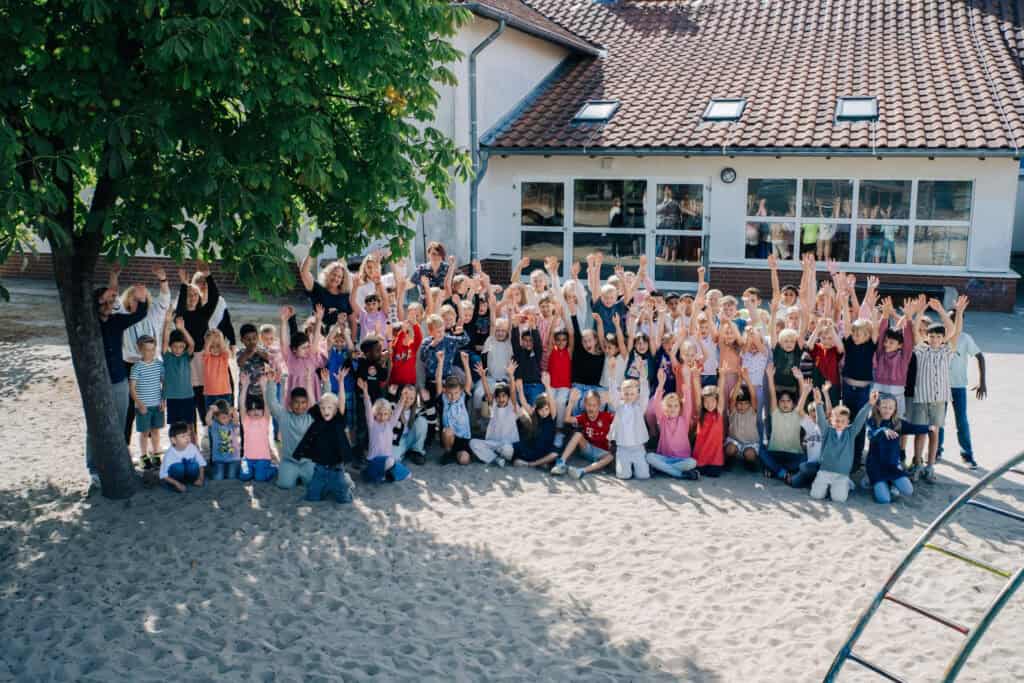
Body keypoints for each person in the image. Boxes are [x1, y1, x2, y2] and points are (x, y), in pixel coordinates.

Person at [88, 276, 149, 485]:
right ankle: (93, 468)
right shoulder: (90, 324)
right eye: (104, 301)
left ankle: (122, 462)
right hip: (97, 384)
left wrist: (141, 298)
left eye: (111, 300)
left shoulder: (116, 321)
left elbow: (139, 314)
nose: (108, 304)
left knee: (122, 423)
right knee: (95, 425)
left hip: (119, 380)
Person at [909, 296, 967, 481]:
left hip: (939, 399)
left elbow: (954, 330)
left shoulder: (946, 351)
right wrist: (919, 312)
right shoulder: (921, 350)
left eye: (938, 336)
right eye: (931, 336)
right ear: (927, 336)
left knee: (934, 431)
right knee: (920, 432)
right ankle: (917, 463)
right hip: (921, 398)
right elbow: (915, 331)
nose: (934, 339)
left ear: (943, 339)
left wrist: (944, 310)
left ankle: (930, 465)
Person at [119, 266, 171, 442]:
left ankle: (149, 451)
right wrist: (113, 277)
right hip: (130, 364)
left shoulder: (153, 313)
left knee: (150, 406)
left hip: (152, 364)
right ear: (128, 299)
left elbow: (164, 299)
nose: (138, 301)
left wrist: (163, 279)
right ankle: (124, 445)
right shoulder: (122, 315)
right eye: (135, 298)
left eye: (142, 298)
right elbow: (114, 303)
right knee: (128, 408)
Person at [938, 307, 985, 469]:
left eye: (957, 319)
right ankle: (936, 451)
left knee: (962, 421)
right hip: (940, 386)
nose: (953, 322)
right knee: (938, 421)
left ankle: (967, 455)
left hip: (958, 387)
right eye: (950, 318)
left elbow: (979, 356)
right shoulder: (940, 337)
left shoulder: (965, 339)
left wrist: (982, 381)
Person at [809, 389, 875, 503]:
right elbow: (820, 422)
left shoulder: (851, 432)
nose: (839, 423)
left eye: (843, 421)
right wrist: (818, 403)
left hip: (841, 474)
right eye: (837, 420)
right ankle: (828, 487)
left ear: (847, 422)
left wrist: (869, 404)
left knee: (838, 499)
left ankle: (846, 484)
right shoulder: (827, 431)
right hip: (825, 471)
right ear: (831, 420)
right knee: (816, 495)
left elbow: (859, 419)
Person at [866, 395, 935, 504]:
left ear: (894, 409)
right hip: (876, 467)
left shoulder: (898, 423)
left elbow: (913, 428)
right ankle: (873, 482)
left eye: (890, 408)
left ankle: (890, 482)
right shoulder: (872, 421)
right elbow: (871, 434)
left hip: (892, 466)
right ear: (878, 407)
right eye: (884, 407)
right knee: (884, 499)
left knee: (908, 490)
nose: (887, 410)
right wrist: (883, 430)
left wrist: (928, 428)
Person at [175, 263, 219, 424]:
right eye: (189, 294)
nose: (192, 297)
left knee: (203, 395)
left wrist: (209, 276)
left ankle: (206, 427)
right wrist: (183, 285)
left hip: (202, 358)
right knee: (190, 397)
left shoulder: (203, 313)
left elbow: (214, 297)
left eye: (195, 294)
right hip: (187, 359)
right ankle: (192, 435)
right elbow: (180, 306)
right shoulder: (180, 315)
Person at [290, 392, 353, 503]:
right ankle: (326, 486)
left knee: (345, 500)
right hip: (320, 469)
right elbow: (313, 400)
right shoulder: (318, 419)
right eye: (323, 408)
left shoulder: (339, 420)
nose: (325, 411)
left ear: (335, 409)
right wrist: (309, 378)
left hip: (336, 469)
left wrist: (341, 382)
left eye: (329, 408)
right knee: (312, 497)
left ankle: (346, 480)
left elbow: (342, 402)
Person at [644, 366, 700, 480]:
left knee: (692, 463)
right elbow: (655, 403)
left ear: (680, 408)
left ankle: (662, 469)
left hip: (682, 459)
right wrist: (660, 384)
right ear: (664, 409)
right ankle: (679, 474)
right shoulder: (663, 420)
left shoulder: (684, 419)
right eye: (669, 406)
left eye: (675, 406)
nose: (672, 408)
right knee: (649, 457)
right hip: (664, 457)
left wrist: (687, 381)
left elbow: (688, 404)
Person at [262, 371, 316, 490]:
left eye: (303, 402)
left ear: (307, 404)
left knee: (312, 483)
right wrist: (271, 383)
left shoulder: (311, 417)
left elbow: (322, 403)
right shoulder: (284, 416)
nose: (299, 405)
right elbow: (272, 403)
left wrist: (323, 383)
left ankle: (301, 475)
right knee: (285, 485)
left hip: (308, 462)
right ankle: (287, 472)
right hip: (289, 461)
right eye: (296, 402)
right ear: (290, 403)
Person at [358, 378, 410, 483]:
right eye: (379, 414)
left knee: (407, 474)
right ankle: (376, 474)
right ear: (375, 414)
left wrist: (402, 399)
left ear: (389, 414)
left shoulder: (390, 424)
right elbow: (368, 407)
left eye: (385, 414)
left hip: (387, 460)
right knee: (390, 462)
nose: (382, 416)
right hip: (374, 461)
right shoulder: (372, 425)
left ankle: (385, 475)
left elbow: (397, 412)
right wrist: (365, 392)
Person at [469, 361, 519, 467]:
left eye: (504, 396)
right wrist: (483, 376)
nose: (501, 399)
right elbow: (487, 393)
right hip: (493, 443)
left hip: (507, 444)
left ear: (508, 397)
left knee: (508, 450)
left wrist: (511, 375)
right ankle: (495, 459)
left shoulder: (512, 407)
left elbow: (513, 392)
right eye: (499, 396)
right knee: (473, 443)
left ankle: (497, 456)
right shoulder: (494, 405)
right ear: (495, 398)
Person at [129, 335, 165, 470]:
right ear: (140, 350)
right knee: (144, 432)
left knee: (155, 431)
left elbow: (164, 383)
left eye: (152, 350)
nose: (150, 353)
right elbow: (132, 388)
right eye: (146, 350)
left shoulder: (159, 365)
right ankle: (144, 456)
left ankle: (156, 454)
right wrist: (139, 403)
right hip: (143, 406)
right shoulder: (137, 367)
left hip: (157, 405)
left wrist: (163, 399)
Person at [280, 304, 327, 403]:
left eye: (308, 346)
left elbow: (316, 339)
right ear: (294, 350)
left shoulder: (311, 356)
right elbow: (283, 342)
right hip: (295, 392)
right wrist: (284, 321)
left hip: (312, 391)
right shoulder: (290, 358)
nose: (307, 349)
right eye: (303, 348)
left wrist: (318, 320)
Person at [162, 312, 197, 443]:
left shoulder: (186, 357)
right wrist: (167, 323)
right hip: (172, 398)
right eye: (175, 347)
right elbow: (164, 340)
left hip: (187, 396)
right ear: (171, 347)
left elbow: (192, 344)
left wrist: (182, 329)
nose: (178, 349)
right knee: (174, 427)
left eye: (181, 347)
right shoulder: (167, 356)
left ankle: (194, 449)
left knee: (190, 426)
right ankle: (175, 450)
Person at [608, 378, 651, 480]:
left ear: (637, 395)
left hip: (638, 448)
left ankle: (640, 465)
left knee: (643, 476)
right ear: (622, 394)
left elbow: (645, 394)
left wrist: (643, 376)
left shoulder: (640, 407)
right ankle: (622, 463)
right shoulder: (618, 406)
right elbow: (613, 393)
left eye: (632, 394)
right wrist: (612, 375)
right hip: (623, 448)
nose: (629, 396)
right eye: (626, 394)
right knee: (624, 475)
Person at [298, 254, 352, 333]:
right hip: (318, 333)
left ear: (342, 280)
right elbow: (304, 272)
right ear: (327, 273)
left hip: (339, 338)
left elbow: (350, 318)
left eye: (339, 277)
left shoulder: (345, 295)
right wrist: (312, 252)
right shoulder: (318, 289)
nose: (336, 278)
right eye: (334, 274)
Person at [437, 352, 473, 466]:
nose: (452, 396)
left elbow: (469, 382)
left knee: (464, 460)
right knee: (448, 431)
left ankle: (455, 454)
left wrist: (466, 363)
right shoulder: (443, 399)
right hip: (449, 437)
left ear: (461, 391)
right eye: (450, 393)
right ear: (445, 391)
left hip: (463, 438)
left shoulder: (463, 398)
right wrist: (441, 362)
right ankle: (448, 452)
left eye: (456, 393)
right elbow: (438, 380)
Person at [724, 368, 759, 470]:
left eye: (745, 404)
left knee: (750, 455)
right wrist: (739, 380)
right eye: (739, 404)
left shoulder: (752, 411)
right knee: (730, 449)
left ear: (749, 404)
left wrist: (747, 379)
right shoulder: (733, 411)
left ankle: (749, 462)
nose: (742, 406)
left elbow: (753, 396)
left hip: (750, 443)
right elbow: (733, 399)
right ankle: (731, 459)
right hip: (734, 441)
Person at [238, 397, 278, 483]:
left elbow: (267, 404)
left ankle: (273, 468)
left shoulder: (265, 420)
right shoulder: (246, 421)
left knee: (260, 478)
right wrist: (245, 387)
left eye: (258, 409)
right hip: (247, 458)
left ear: (263, 410)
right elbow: (241, 405)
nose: (255, 411)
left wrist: (263, 387)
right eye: (252, 409)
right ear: (247, 412)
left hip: (263, 458)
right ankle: (256, 470)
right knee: (244, 477)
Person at [160, 422, 206, 492]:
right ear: (173, 440)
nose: (187, 438)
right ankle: (177, 483)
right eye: (183, 436)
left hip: (189, 476)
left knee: (193, 465)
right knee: (178, 467)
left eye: (188, 435)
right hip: (176, 478)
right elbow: (163, 475)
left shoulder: (192, 447)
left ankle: (192, 481)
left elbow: (201, 464)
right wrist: (177, 484)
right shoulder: (169, 454)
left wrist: (201, 478)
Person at [205, 400, 241, 480]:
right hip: (219, 459)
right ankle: (213, 470)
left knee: (231, 477)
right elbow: (207, 420)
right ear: (216, 417)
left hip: (233, 458)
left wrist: (234, 412)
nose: (227, 419)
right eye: (223, 418)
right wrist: (211, 410)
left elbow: (236, 421)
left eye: (229, 416)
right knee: (218, 478)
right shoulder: (214, 425)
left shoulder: (232, 424)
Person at [200, 329, 233, 411]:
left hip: (225, 392)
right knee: (211, 417)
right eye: (212, 346)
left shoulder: (224, 357)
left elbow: (226, 350)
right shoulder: (207, 357)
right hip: (209, 393)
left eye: (218, 346)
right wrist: (209, 340)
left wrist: (220, 338)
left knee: (225, 415)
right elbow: (206, 349)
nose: (215, 348)